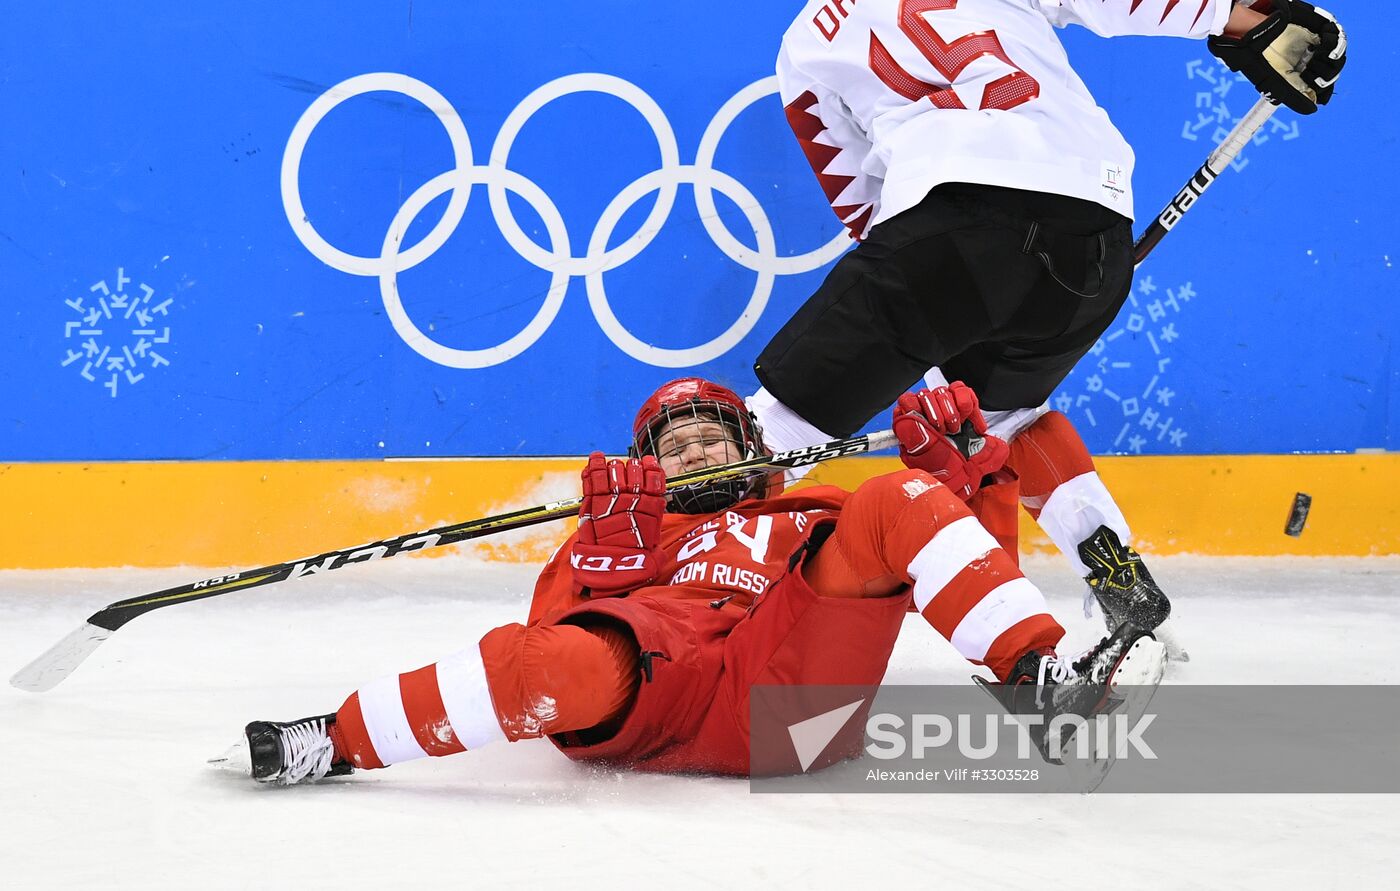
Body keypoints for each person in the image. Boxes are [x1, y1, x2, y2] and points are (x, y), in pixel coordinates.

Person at [745, 0, 1347, 640]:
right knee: (1011, 417)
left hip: (949, 229)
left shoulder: (804, 41)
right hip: (1095, 234)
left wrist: (928, 299)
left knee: (774, 428)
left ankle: (694, 601)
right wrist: (1240, 18)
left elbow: (855, 197)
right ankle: (1126, 588)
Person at [224, 378, 1165, 786]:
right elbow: (551, 647)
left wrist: (966, 472)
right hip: (654, 693)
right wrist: (606, 558)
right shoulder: (619, 524)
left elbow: (943, 561)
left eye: (714, 437)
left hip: (795, 692)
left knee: (901, 491)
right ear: (649, 467)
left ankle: (1040, 684)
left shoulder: (808, 511)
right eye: (673, 446)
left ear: (754, 453)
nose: (695, 449)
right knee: (547, 660)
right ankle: (336, 740)